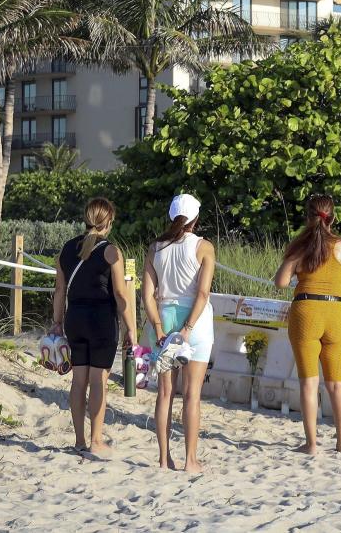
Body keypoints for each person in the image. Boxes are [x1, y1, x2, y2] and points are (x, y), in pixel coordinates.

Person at [274, 194, 341, 455]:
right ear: (332, 218)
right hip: (335, 312)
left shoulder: (301, 246)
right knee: (337, 384)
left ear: (308, 216)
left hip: (306, 312)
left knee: (309, 383)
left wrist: (293, 260)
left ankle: (311, 444)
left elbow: (280, 281)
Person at [51, 197, 137, 457]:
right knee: (99, 380)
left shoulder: (66, 249)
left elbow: (59, 290)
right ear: (108, 222)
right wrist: (131, 328)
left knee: (78, 381)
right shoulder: (111, 251)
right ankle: (96, 441)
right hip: (101, 320)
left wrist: (56, 323)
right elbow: (121, 296)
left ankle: (78, 440)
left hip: (74, 318)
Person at [141, 193, 216, 473]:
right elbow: (203, 293)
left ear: (171, 217)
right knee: (192, 395)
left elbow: (146, 296)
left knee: (164, 394)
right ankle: (190, 460)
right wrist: (187, 329)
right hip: (193, 322)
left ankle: (163, 459)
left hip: (163, 315)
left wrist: (159, 327)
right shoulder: (204, 247)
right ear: (195, 219)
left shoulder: (155, 248)